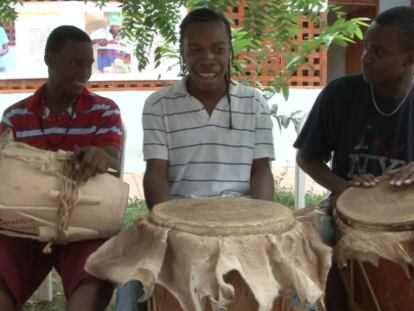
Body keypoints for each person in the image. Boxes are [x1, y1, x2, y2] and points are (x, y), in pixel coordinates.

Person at [116, 7, 275, 311]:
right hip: (181, 217)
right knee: (130, 281)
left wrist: (259, 224)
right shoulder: (158, 105)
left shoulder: (255, 103)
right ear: (183, 52)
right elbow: (156, 173)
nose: (208, 59)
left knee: (298, 284)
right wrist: (170, 227)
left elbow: (261, 172)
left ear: (230, 50)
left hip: (240, 218)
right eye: (196, 50)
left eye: (218, 49)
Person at [294, 6, 414, 310]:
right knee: (303, 247)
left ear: (409, 58)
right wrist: (343, 187)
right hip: (342, 209)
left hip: (406, 220)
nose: (366, 57)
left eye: (379, 51)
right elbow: (308, 158)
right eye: (366, 47)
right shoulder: (340, 94)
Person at [0, 25, 123, 311]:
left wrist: (100, 156)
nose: (85, 71)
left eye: (89, 63)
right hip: (24, 224)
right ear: (49, 60)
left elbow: (112, 159)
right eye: (75, 63)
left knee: (87, 291)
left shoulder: (104, 110)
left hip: (85, 223)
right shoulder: (15, 115)